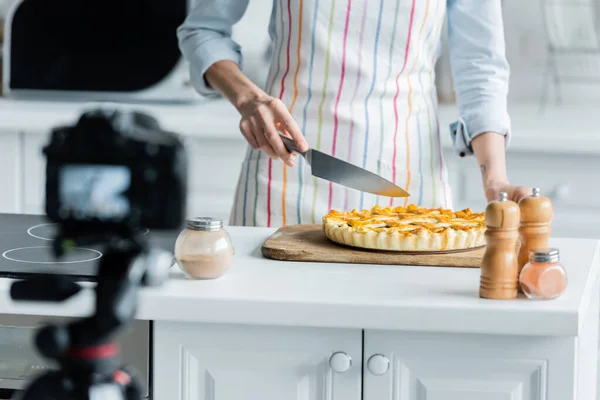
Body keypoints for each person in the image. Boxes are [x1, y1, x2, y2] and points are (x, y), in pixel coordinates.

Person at [177, 0, 530, 227]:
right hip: (285, 176)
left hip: (407, 191)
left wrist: (494, 177)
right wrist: (247, 98)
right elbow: (204, 30)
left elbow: (480, 65)